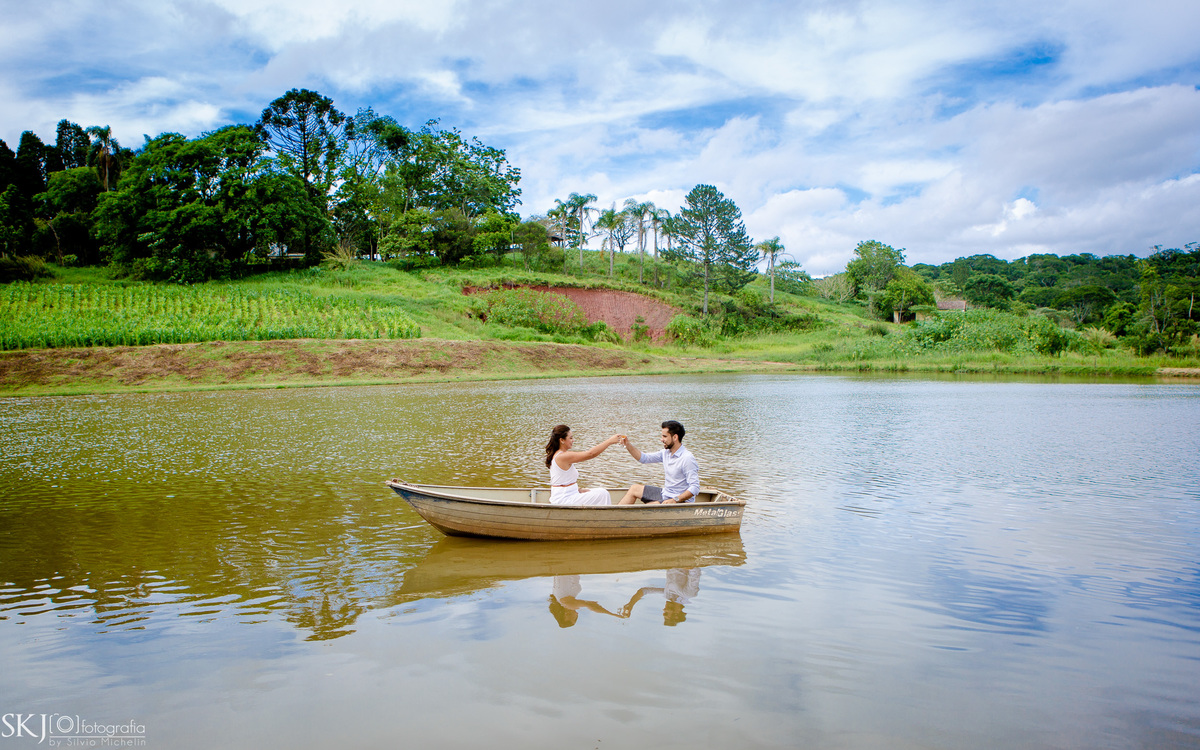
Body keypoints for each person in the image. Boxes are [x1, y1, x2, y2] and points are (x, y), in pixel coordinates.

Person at [617, 420, 699, 505]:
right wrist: (627, 444)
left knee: (649, 507)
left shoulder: (687, 458)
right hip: (665, 493)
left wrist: (675, 500)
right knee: (634, 489)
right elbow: (644, 458)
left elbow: (695, 487)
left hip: (679, 500)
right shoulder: (666, 453)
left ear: (675, 437)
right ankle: (614, 515)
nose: (661, 439)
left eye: (664, 436)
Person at [545, 424, 624, 506]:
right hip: (564, 499)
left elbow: (563, 481)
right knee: (603, 493)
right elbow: (590, 454)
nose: (573, 440)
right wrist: (609, 441)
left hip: (570, 494)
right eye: (571, 438)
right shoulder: (563, 456)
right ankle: (605, 517)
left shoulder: (561, 455)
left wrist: (578, 489)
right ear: (562, 440)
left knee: (600, 492)